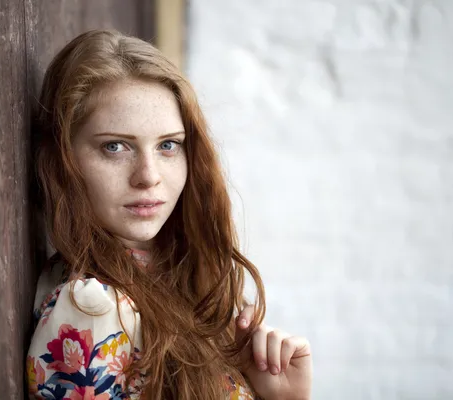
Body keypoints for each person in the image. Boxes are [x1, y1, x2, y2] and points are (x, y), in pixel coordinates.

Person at [25, 29, 312, 400]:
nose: (149, 176)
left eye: (168, 145)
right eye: (115, 146)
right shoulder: (89, 309)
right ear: (63, 158)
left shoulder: (187, 280)